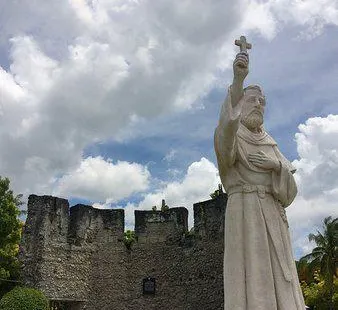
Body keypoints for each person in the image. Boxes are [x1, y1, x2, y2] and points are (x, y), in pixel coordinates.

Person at [214, 49, 306, 309]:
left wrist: (275, 165)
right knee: (251, 270)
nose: (258, 105)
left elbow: (289, 193)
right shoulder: (231, 134)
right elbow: (225, 137)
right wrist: (238, 81)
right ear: (240, 103)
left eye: (261, 102)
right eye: (252, 100)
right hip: (246, 208)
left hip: (273, 213)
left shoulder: (271, 143)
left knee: (280, 271)